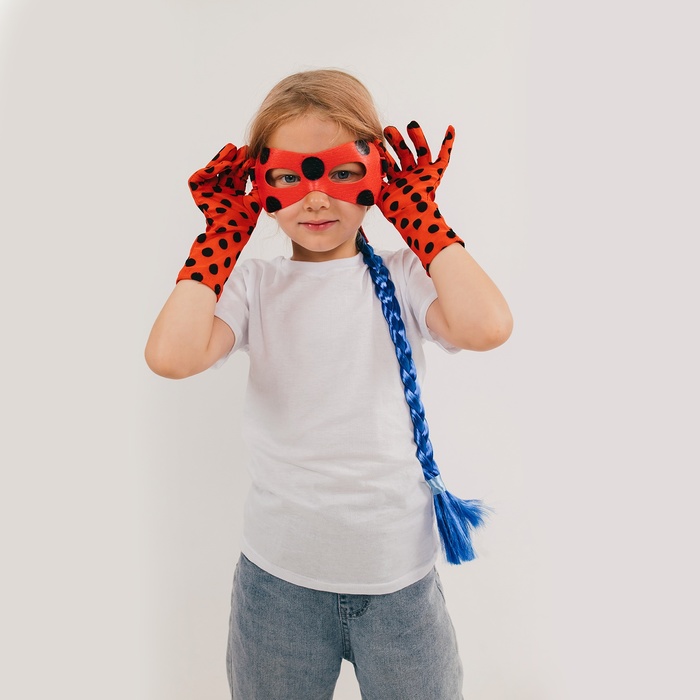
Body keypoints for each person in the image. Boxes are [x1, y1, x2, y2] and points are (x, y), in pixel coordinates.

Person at [145, 68, 513, 700]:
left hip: (399, 581)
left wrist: (424, 223)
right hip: (277, 584)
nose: (315, 198)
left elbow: (487, 327)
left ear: (379, 172)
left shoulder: (407, 275)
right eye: (290, 177)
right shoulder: (254, 285)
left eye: (342, 172)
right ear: (259, 182)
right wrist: (218, 241)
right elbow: (171, 357)